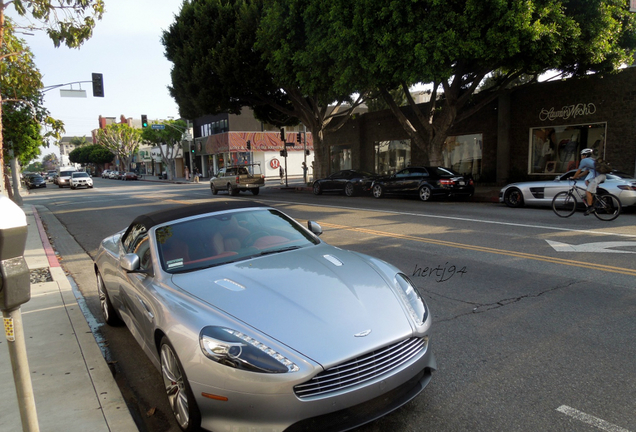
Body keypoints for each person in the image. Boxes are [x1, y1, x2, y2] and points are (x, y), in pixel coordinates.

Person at [572, 148, 606, 216]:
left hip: (597, 177)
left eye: (581, 155)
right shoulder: (591, 160)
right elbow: (586, 171)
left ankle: (590, 207)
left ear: (585, 155)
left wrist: (574, 177)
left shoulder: (584, 161)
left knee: (587, 191)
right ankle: (592, 196)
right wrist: (578, 176)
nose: (581, 157)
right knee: (587, 181)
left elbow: (579, 170)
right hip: (602, 176)